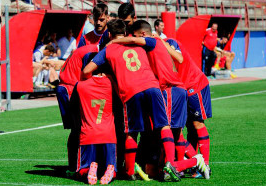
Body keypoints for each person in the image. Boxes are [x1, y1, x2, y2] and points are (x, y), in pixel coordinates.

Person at [109, 20, 210, 180]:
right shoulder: (158, 44)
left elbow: (136, 41)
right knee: (176, 133)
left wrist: (114, 41)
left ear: (142, 34)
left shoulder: (153, 41)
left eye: (135, 36)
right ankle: (194, 161)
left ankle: (174, 165)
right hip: (178, 89)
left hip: (171, 88)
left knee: (165, 127)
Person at [83, 19, 179, 182]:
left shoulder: (108, 49)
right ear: (126, 32)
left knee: (131, 133)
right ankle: (170, 163)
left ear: (110, 34)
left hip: (131, 92)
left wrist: (106, 77)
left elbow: (87, 70)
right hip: (152, 86)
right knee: (163, 126)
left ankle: (129, 171)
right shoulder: (140, 44)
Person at [166, 38, 212, 177]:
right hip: (180, 89)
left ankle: (205, 165)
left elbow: (179, 58)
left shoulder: (170, 43)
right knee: (180, 127)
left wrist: (159, 42)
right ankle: (188, 163)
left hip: (194, 85)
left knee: (197, 124)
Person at [56, 44, 99, 174]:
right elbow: (87, 74)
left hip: (68, 87)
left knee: (79, 128)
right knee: (80, 128)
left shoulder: (87, 49)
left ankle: (76, 165)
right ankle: (78, 165)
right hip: (71, 89)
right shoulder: (91, 52)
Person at [73, 73, 117, 185]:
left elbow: (73, 108)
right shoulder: (112, 83)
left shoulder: (80, 85)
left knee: (81, 169)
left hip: (88, 134)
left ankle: (89, 170)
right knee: (111, 165)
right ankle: (109, 170)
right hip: (109, 134)